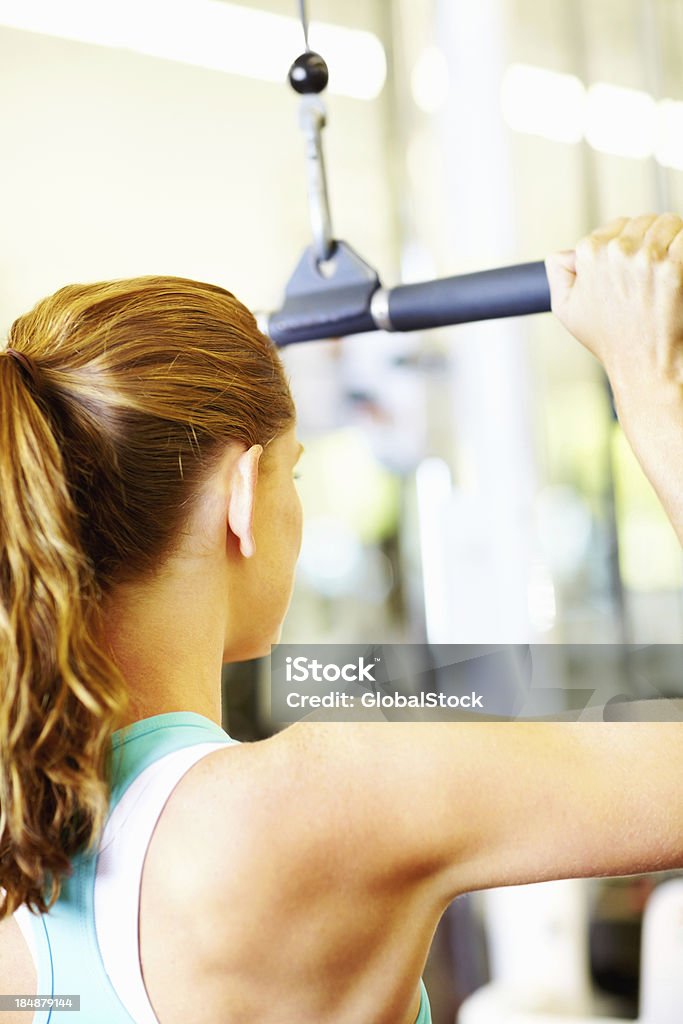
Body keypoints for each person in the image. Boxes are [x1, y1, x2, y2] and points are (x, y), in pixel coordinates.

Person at [0, 214, 681, 1024]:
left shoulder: (22, 858)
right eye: (297, 472)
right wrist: (649, 385)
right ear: (244, 495)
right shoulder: (311, 802)